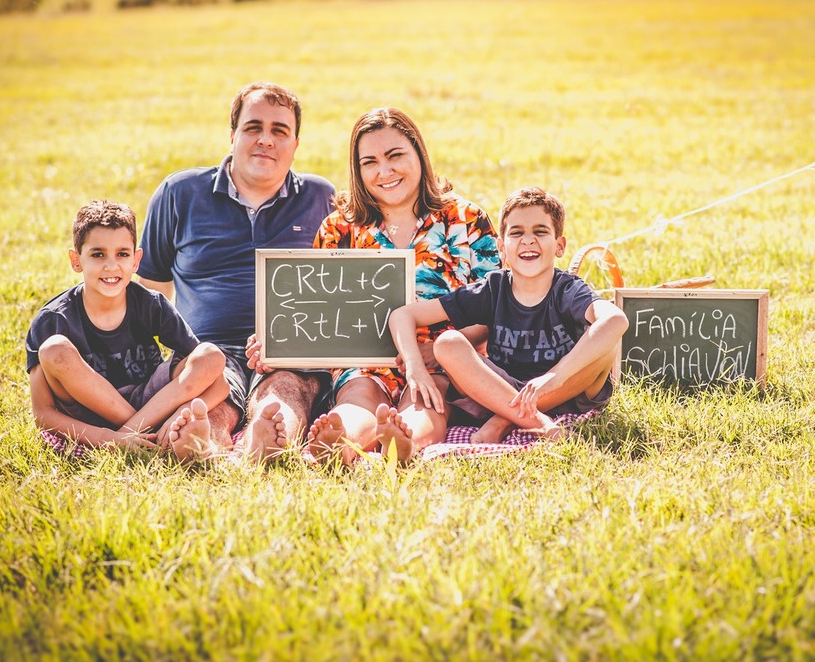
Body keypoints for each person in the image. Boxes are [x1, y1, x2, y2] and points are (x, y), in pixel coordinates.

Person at [251, 107, 501, 464]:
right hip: (364, 358)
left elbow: (494, 307)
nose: (385, 171)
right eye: (370, 162)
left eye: (395, 155)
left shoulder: (464, 219)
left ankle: (405, 440)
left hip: (441, 358)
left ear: (418, 152)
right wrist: (275, 341)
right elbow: (313, 309)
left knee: (427, 399)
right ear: (358, 170)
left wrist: (438, 352)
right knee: (358, 394)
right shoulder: (340, 228)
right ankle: (340, 439)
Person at [137, 82, 336, 462]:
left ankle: (271, 436)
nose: (266, 139)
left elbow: (340, 288)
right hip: (207, 348)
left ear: (296, 144)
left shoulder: (319, 197)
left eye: (280, 131)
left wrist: (296, 341)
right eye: (253, 128)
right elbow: (152, 285)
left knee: (285, 390)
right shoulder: (180, 192)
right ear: (232, 135)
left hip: (290, 349)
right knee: (214, 398)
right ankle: (203, 440)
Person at [389, 186, 628, 445]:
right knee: (447, 344)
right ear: (502, 248)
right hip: (498, 390)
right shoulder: (493, 288)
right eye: (517, 233)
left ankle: (503, 420)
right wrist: (415, 368)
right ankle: (536, 422)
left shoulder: (568, 289)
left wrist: (554, 376)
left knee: (607, 345)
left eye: (540, 231)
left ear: (559, 246)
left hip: (560, 389)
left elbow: (616, 320)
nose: (528, 240)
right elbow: (403, 315)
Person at [26, 200, 229, 459]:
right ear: (76, 260)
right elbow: (43, 413)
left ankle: (138, 432)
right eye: (98, 254)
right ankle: (144, 434)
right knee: (55, 349)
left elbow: (217, 381)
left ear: (136, 260)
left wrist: (183, 410)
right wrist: (109, 439)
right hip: (88, 413)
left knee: (211, 354)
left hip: (149, 400)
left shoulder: (151, 304)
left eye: (122, 254)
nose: (112, 266)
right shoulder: (52, 319)